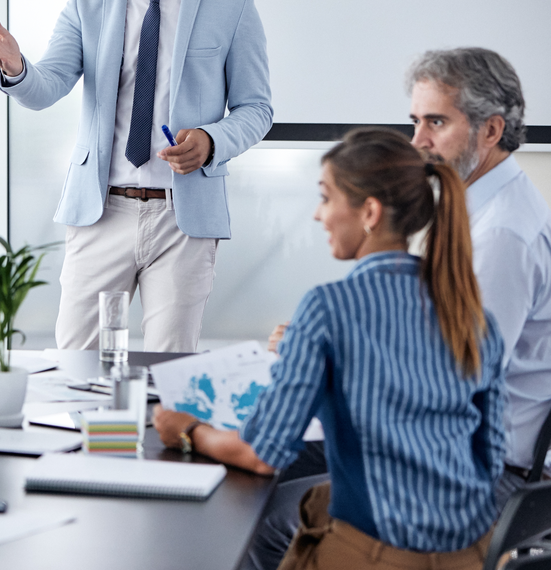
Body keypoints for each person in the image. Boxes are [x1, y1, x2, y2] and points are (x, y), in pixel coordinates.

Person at [153, 128, 505, 569]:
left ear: (369, 212)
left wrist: (187, 430)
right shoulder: (474, 315)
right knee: (318, 499)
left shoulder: (329, 308)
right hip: (473, 554)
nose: (318, 216)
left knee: (249, 523)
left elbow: (262, 455)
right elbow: (491, 459)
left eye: (326, 197)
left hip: (380, 556)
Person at [0, 0, 272, 352]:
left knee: (167, 376)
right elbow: (47, 88)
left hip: (184, 219)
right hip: (101, 211)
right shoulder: (86, 2)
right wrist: (17, 68)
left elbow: (256, 109)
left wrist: (211, 140)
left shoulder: (231, 5)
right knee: (76, 367)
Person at [408, 47, 551, 493]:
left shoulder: (500, 235)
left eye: (436, 122)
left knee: (276, 521)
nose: (418, 141)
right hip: (459, 443)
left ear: (491, 130)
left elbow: (455, 382)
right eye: (415, 121)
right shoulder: (477, 207)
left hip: (485, 467)